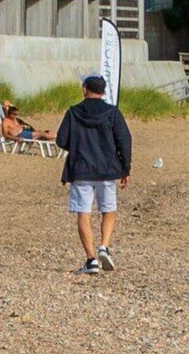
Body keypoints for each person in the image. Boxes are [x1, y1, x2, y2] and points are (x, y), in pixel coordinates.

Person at [54, 75, 135, 273]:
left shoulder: (73, 112)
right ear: (104, 91)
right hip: (107, 169)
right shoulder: (112, 112)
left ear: (84, 89)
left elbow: (61, 140)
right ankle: (104, 246)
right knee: (109, 210)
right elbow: (124, 140)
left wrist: (78, 145)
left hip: (81, 168)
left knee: (84, 213)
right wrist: (126, 168)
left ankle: (91, 260)